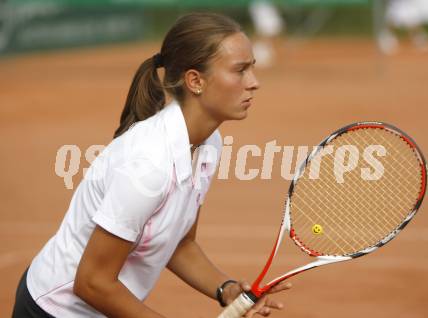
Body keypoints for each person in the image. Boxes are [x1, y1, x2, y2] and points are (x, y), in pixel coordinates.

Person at [11, 12, 291, 318]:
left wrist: (226, 289)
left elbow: (180, 243)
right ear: (195, 80)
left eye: (251, 68)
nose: (254, 83)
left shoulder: (209, 144)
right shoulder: (149, 165)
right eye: (240, 71)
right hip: (53, 310)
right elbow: (92, 283)